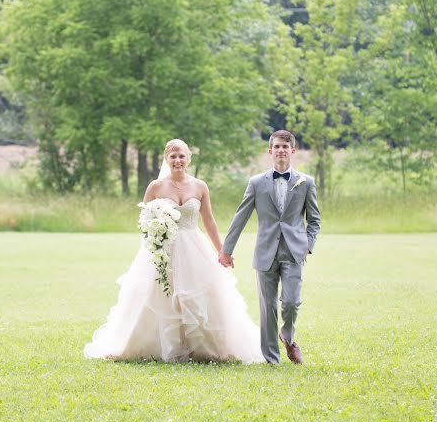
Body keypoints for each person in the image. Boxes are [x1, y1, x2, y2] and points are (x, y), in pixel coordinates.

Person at [84, 139, 264, 363]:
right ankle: (158, 346)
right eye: (173, 156)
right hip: (163, 250)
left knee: (195, 295)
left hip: (194, 248)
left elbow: (208, 221)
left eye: (181, 156)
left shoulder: (200, 186)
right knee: (161, 296)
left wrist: (222, 251)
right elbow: (145, 219)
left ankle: (200, 347)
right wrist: (155, 238)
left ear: (188, 158)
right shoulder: (156, 187)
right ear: (166, 159)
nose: (178, 160)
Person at [219, 130, 321, 364]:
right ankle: (271, 359)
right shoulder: (256, 183)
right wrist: (227, 250)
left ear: (293, 151)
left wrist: (308, 245)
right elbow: (240, 217)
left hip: (294, 251)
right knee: (268, 307)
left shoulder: (306, 182)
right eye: (277, 147)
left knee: (291, 302)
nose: (281, 150)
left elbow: (314, 220)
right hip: (265, 251)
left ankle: (287, 334)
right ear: (270, 151)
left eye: (285, 147)